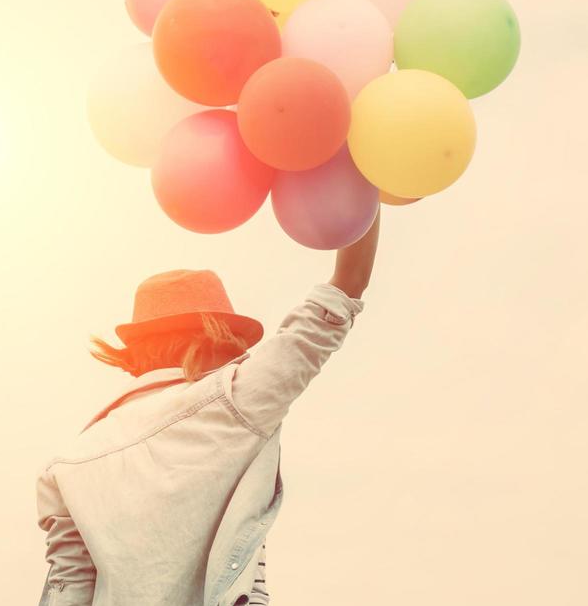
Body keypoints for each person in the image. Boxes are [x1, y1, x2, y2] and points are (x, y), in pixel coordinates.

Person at [35, 209, 381, 606]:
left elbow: (69, 589)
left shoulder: (64, 468)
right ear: (212, 340)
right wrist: (362, 182)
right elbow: (344, 290)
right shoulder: (231, 402)